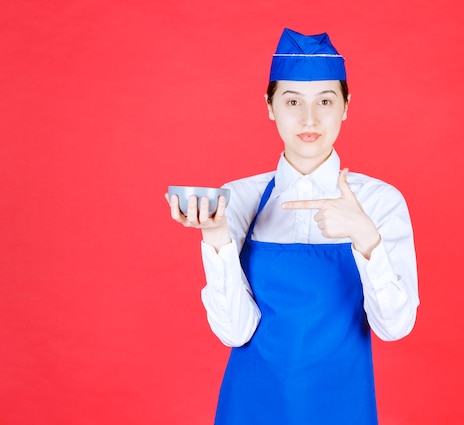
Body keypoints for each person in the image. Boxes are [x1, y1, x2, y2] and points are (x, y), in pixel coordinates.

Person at [166, 28, 419, 425]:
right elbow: (235, 331)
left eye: (325, 101)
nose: (309, 118)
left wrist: (366, 238)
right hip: (251, 405)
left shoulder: (380, 202)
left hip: (343, 405)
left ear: (346, 106)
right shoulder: (238, 199)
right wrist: (214, 239)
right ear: (269, 107)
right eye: (292, 101)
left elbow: (394, 327)